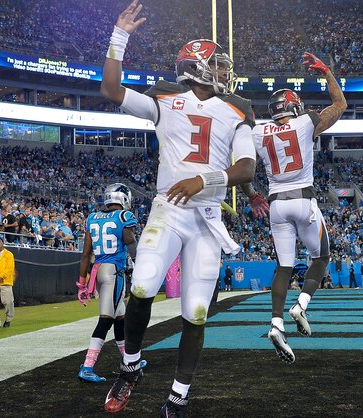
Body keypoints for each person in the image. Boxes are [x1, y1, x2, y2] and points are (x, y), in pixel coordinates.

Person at [100, 2, 257, 415]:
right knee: (143, 284)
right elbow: (112, 91)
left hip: (207, 218)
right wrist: (120, 37)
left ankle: (177, 397)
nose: (226, 72)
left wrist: (204, 179)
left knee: (196, 312)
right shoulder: (165, 97)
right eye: (218, 65)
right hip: (168, 208)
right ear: (198, 67)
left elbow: (246, 166)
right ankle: (130, 367)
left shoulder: (239, 107)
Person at [249, 51, 346, 363]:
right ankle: (301, 304)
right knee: (322, 257)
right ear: (295, 107)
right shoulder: (305, 123)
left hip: (276, 204)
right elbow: (340, 105)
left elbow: (241, 165)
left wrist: (251, 193)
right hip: (303, 199)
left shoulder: (258, 132)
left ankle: (276, 323)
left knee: (284, 267)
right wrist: (327, 72)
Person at [75, 183, 139, 383]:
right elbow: (129, 242)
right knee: (106, 319)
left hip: (98, 271)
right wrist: (141, 263)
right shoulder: (123, 217)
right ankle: (87, 366)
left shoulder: (92, 217)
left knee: (120, 318)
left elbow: (86, 254)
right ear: (123, 199)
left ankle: (128, 360)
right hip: (114, 272)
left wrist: (82, 283)